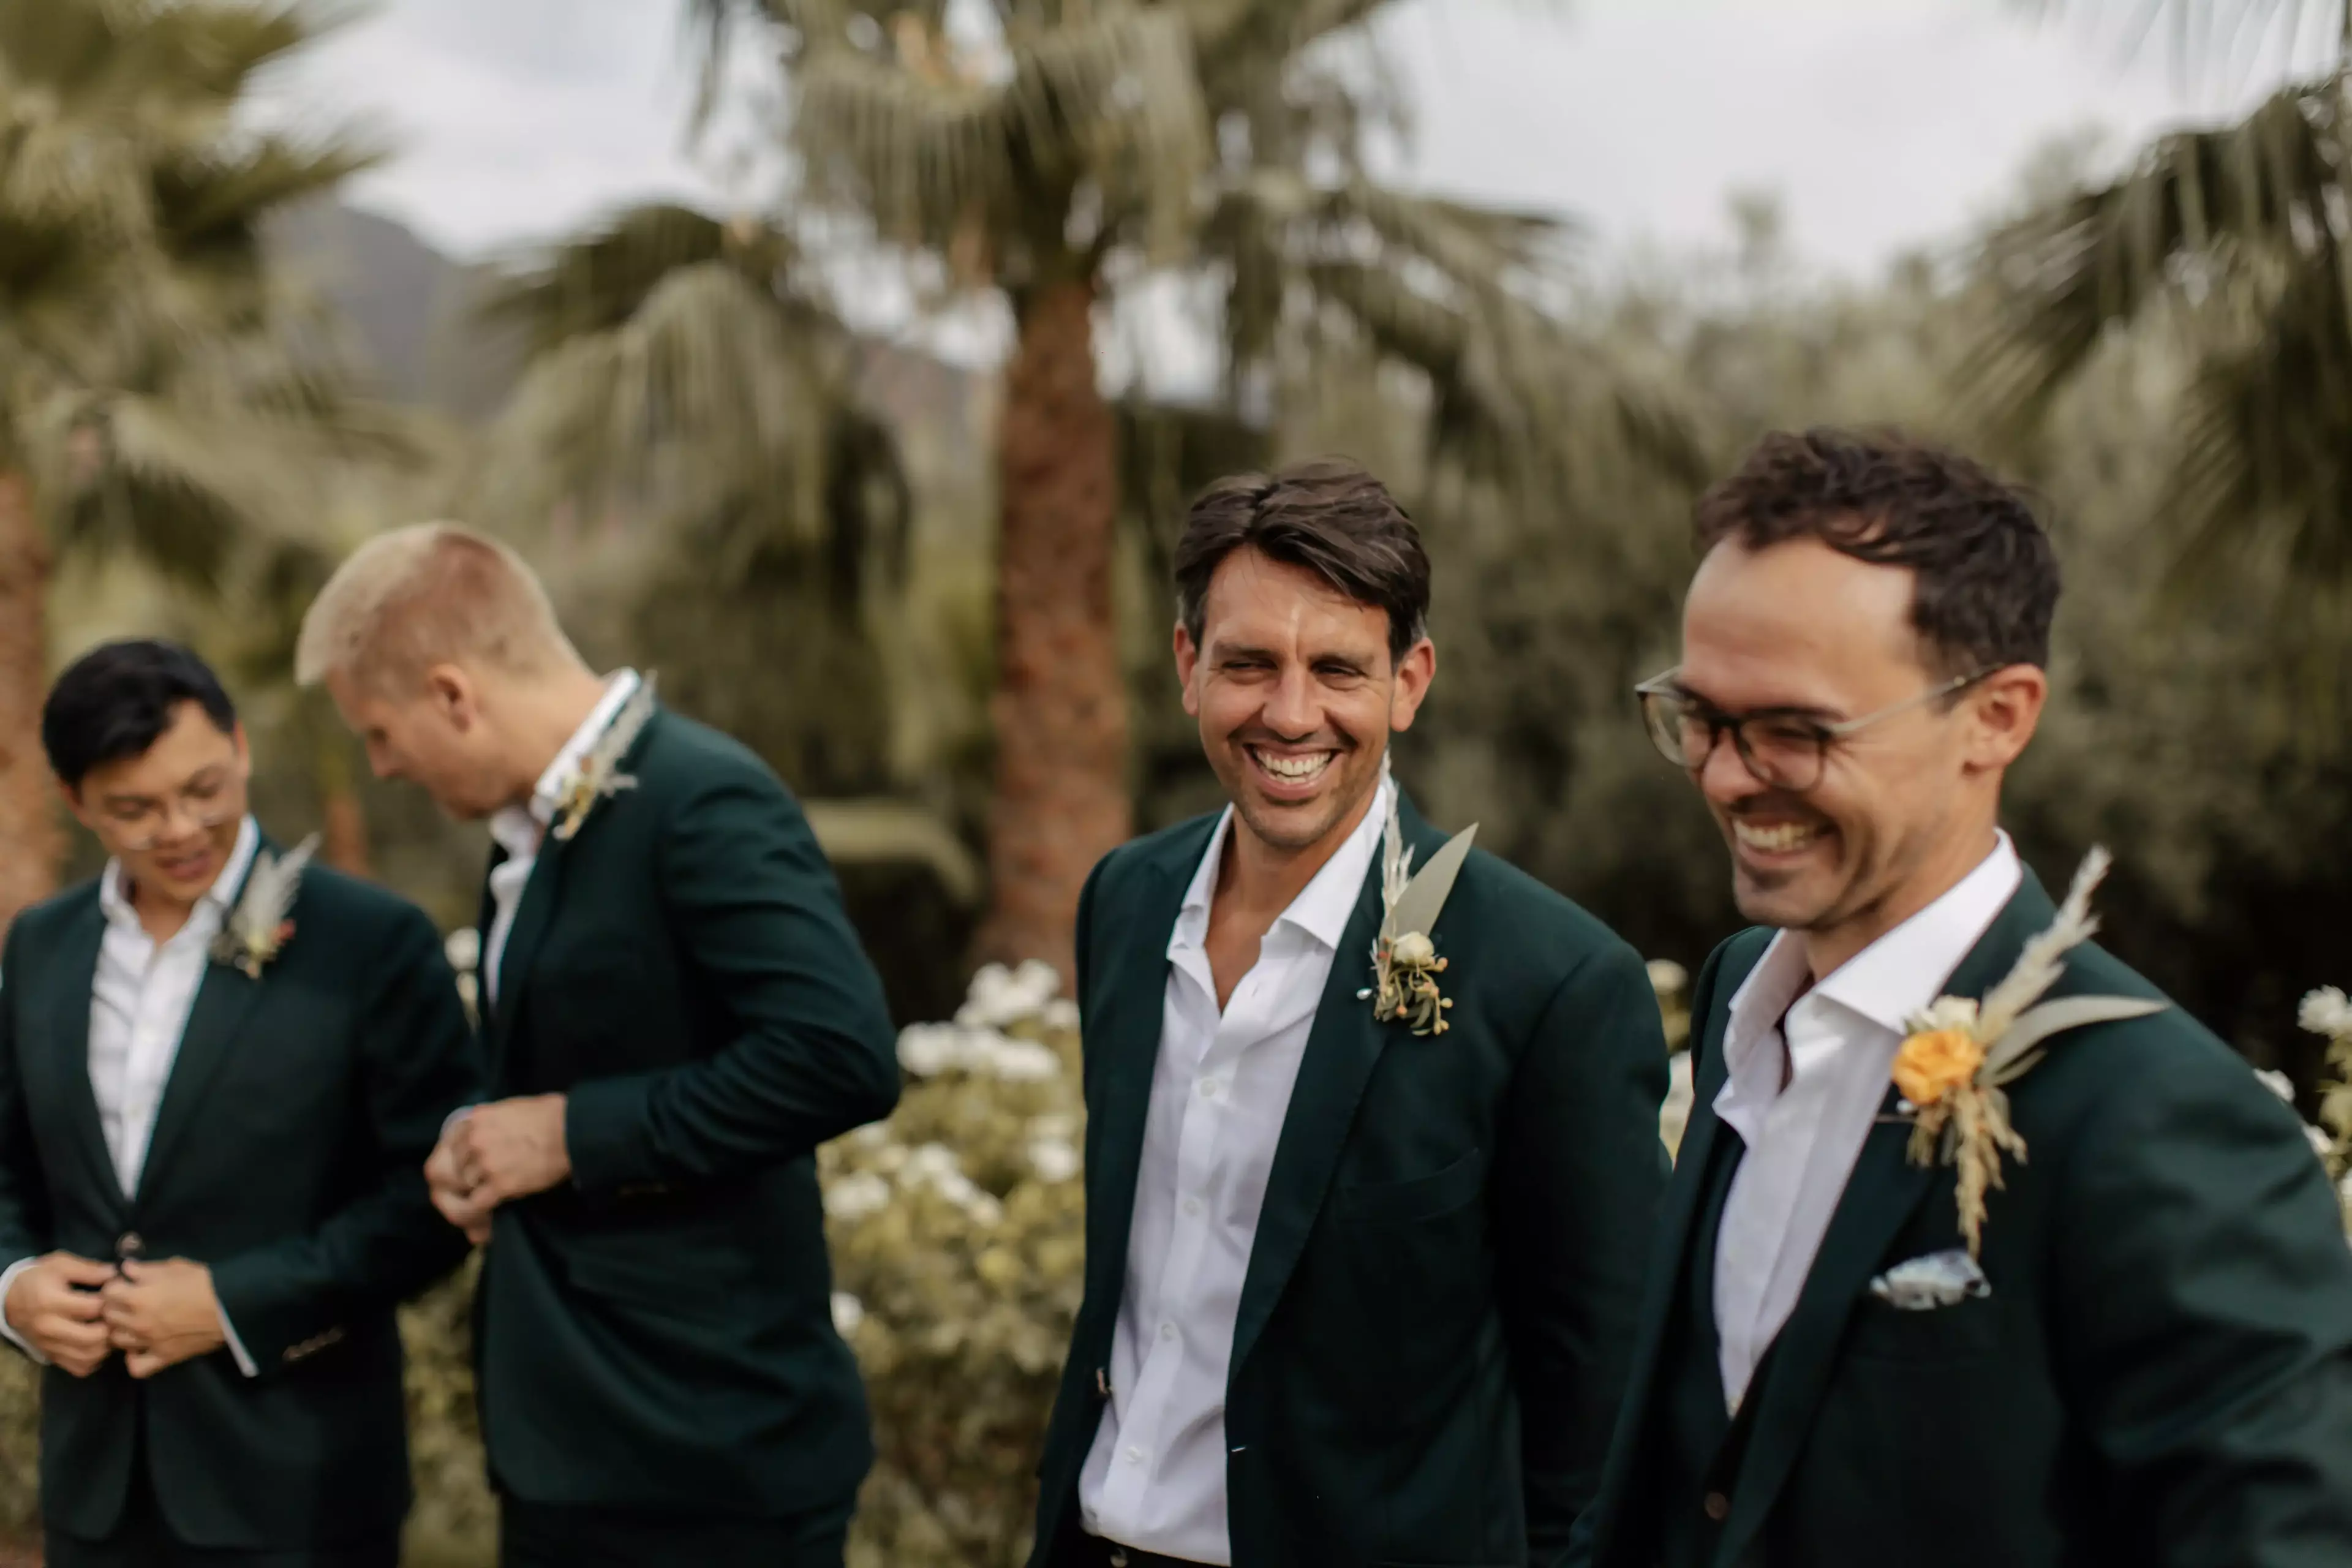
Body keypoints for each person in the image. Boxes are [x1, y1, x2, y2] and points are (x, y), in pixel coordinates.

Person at [1572, 429, 2352, 1568]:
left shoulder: (2164, 1124)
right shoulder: (1749, 986)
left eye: (1797, 730)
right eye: (1700, 718)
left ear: (1998, 716)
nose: (1730, 776)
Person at [1027, 459, 1671, 1568]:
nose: (1290, 714)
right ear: (1188, 667)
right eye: (1247, 665)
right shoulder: (1123, 903)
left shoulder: (1554, 986)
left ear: (1409, 682)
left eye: (1337, 669)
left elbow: (1604, 1422)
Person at [295, 522, 902, 1568]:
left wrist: (570, 1136)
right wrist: (487, 1144)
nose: (382, 768)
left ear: (452, 694)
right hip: (575, 1446)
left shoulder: (703, 799)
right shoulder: (524, 836)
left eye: (379, 733)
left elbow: (839, 1054)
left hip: (709, 1458)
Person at [0, 639, 480, 1567]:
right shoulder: (41, 948)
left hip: (298, 1485)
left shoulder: (370, 942)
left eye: (204, 789)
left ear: (241, 747)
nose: (181, 828)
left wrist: (231, 1303)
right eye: (134, 810)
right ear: (74, 800)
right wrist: (12, 1285)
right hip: (95, 1490)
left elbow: (433, 1202)